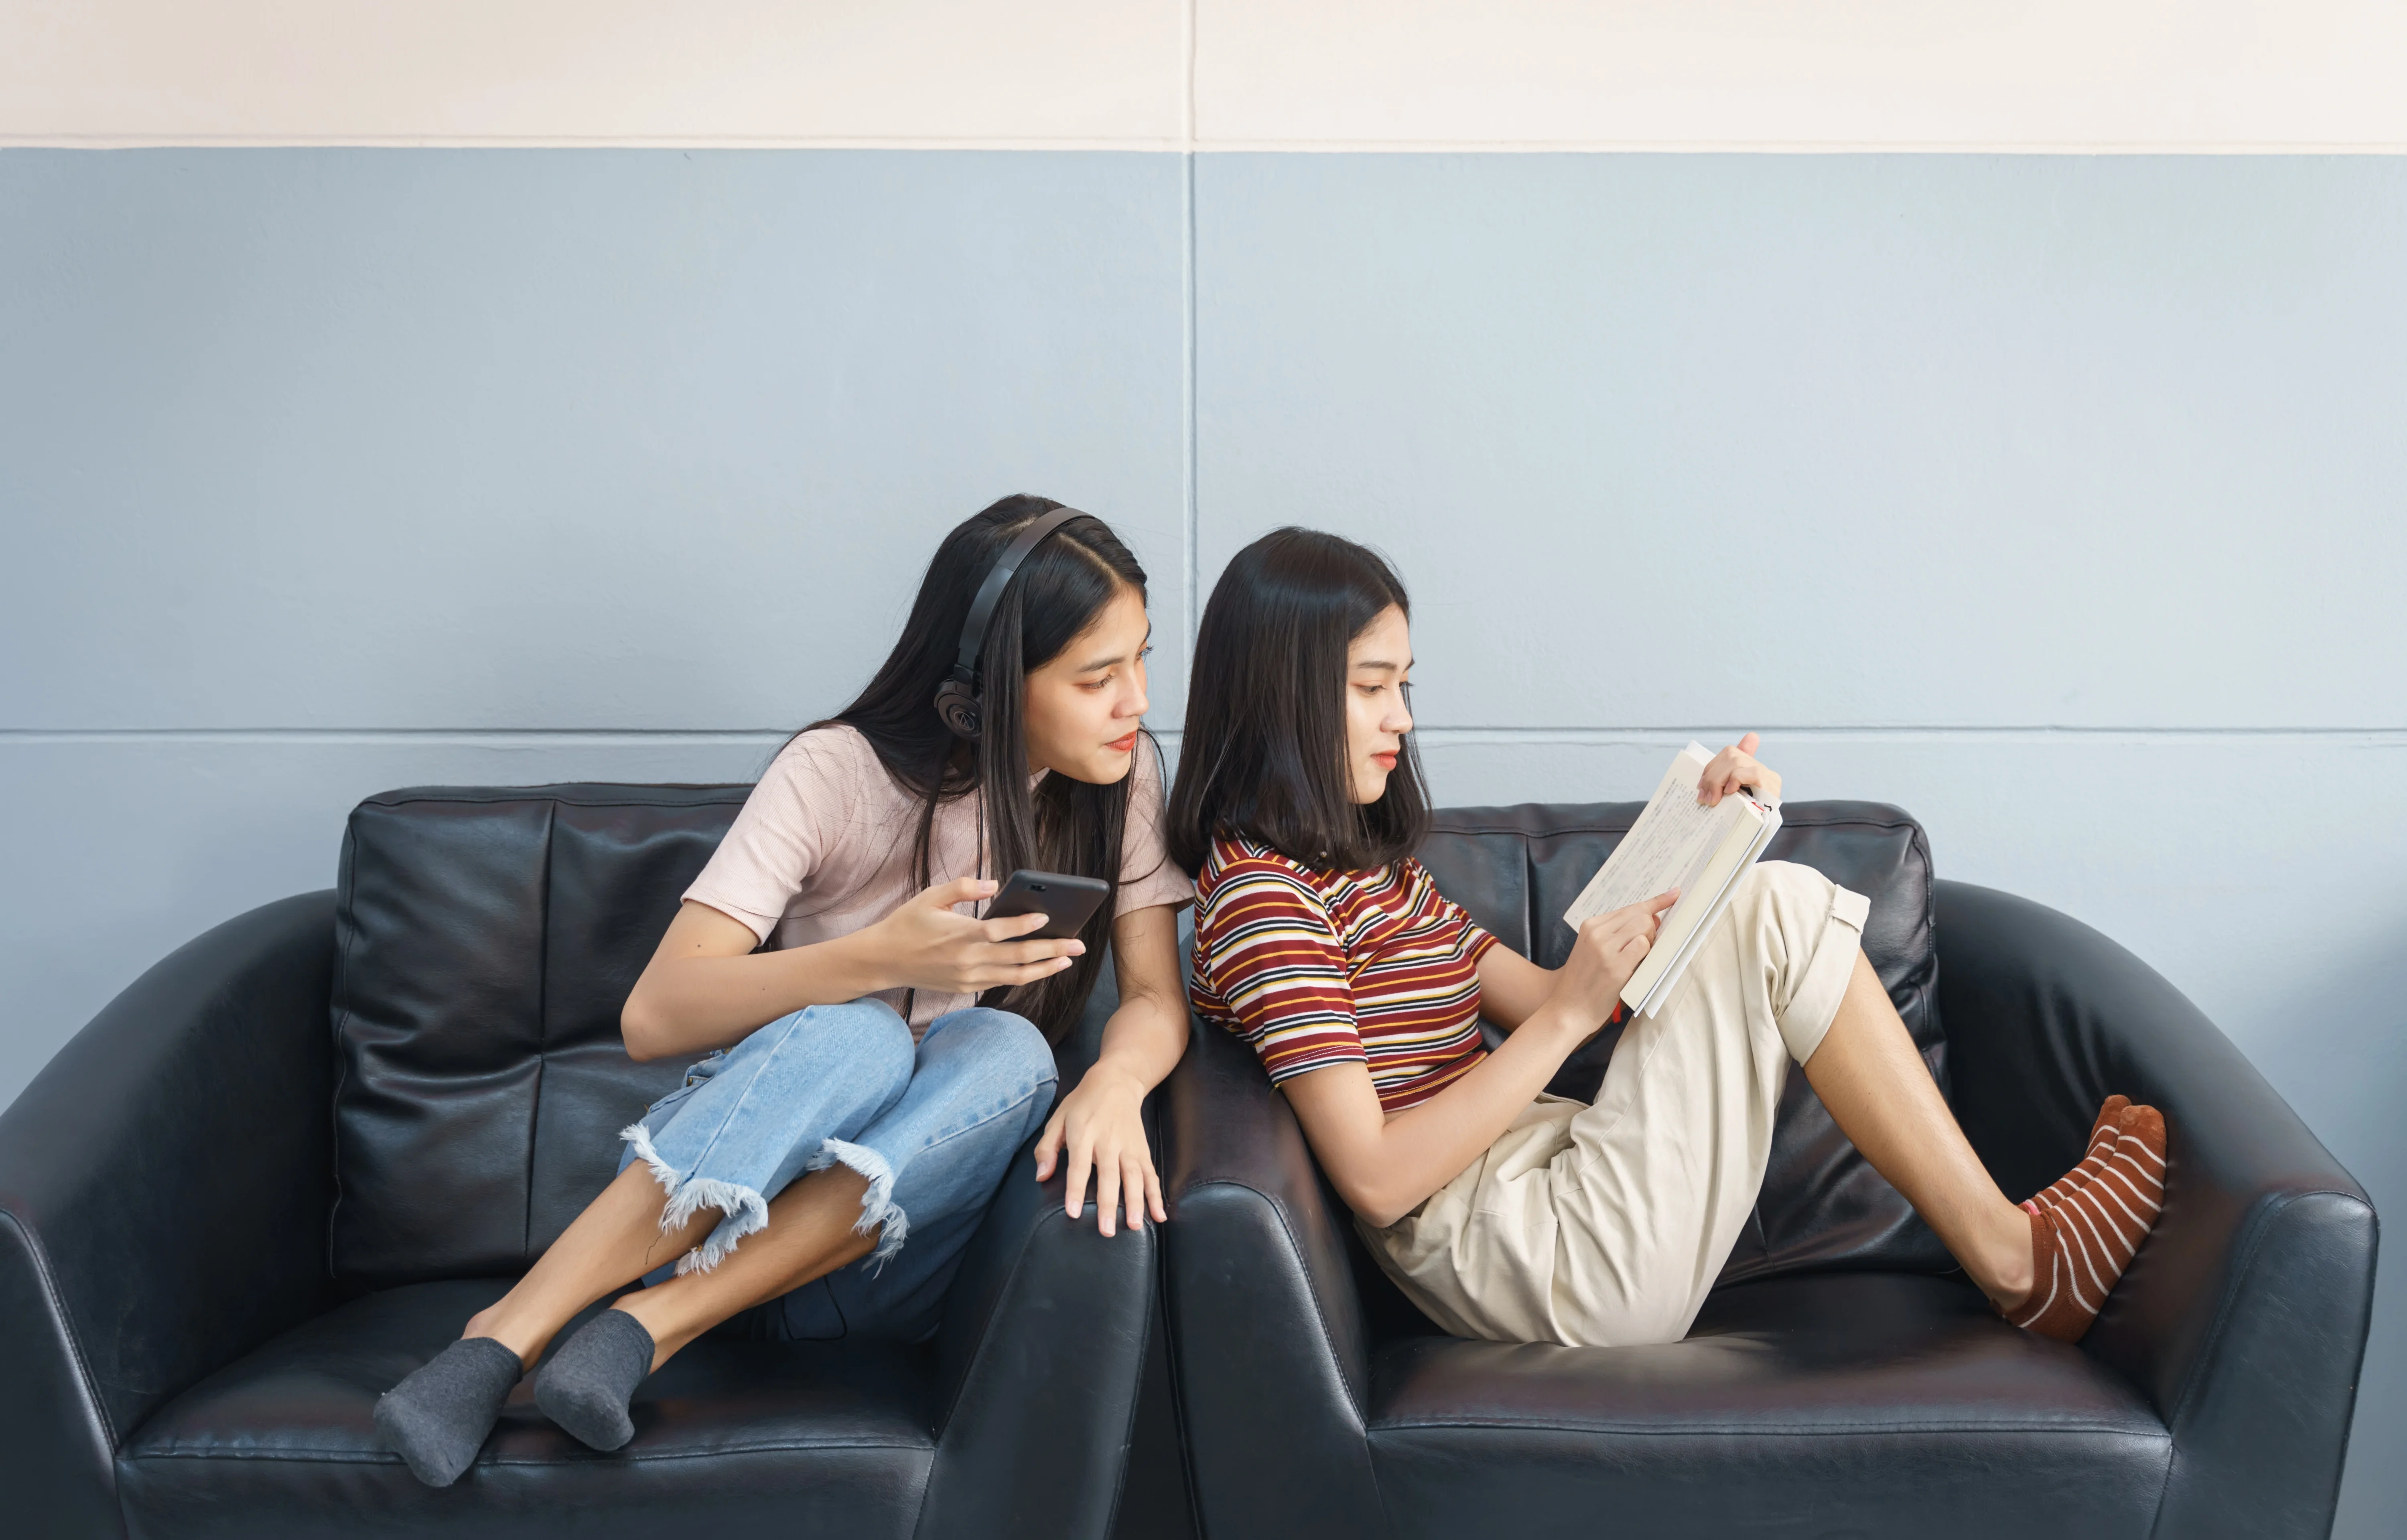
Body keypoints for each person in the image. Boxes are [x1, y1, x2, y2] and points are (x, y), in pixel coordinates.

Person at [1166, 528, 2165, 1351]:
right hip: (1529, 1256)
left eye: (1407, 686)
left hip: (1548, 1185)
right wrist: (1564, 1015)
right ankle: (2015, 1261)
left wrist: (1705, 839)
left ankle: (2013, 1249)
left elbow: (1573, 994)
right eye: (1373, 687)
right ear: (1285, 695)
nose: (1404, 720)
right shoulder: (1264, 902)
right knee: (1777, 909)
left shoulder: (1365, 872)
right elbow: (1377, 1177)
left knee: (1760, 896)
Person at [375, 496, 1193, 1486]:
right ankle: (505, 1337)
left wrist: (1113, 1086)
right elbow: (656, 1013)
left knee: (1011, 1051)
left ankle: (646, 1327)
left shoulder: (1121, 779)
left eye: (1141, 659)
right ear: (986, 688)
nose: (1137, 700)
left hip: (883, 1260)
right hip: (734, 1209)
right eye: (1098, 676)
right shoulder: (833, 773)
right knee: (866, 1040)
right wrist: (882, 957)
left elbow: (1154, 996)